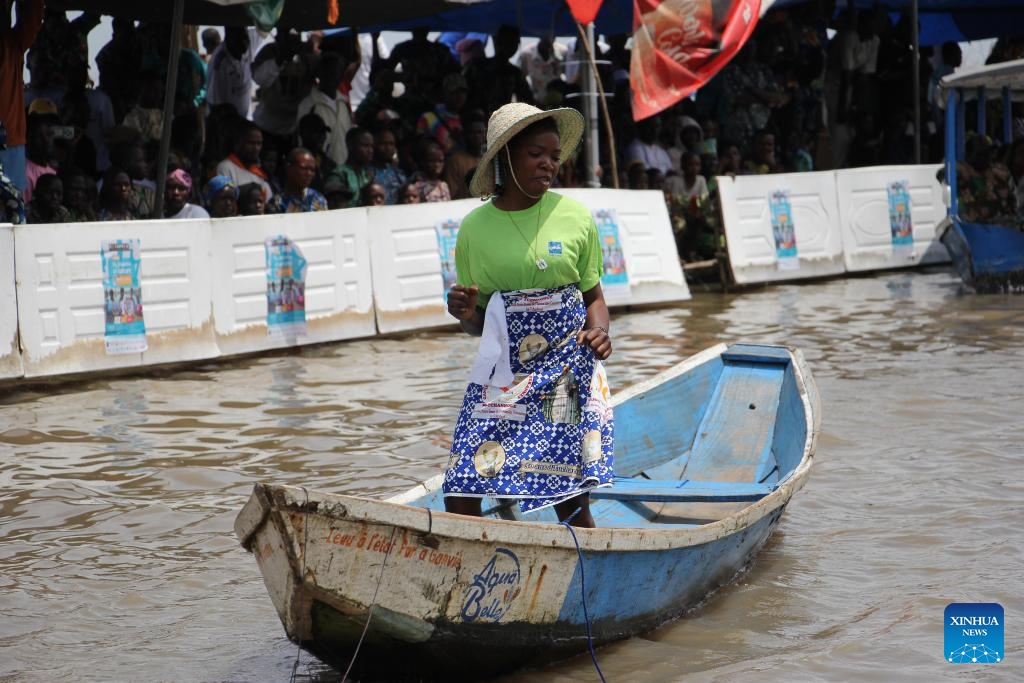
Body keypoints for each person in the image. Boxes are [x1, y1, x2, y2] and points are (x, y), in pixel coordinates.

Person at [443, 102, 614, 528]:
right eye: (536, 153)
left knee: (568, 497)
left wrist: (599, 333)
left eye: (555, 156)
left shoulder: (575, 217)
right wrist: (463, 313)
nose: (549, 164)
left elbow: (593, 297)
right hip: (504, 372)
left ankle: (585, 573)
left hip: (566, 370)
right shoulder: (474, 230)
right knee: (462, 484)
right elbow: (477, 326)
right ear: (506, 158)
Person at [0, 0, 45, 195]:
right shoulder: (12, 43)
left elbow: (33, 16)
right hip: (11, 142)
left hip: (10, 142)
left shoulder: (11, 43)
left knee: (10, 218)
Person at [216, 123, 273, 200]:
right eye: (251, 143)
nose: (256, 148)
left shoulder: (259, 173)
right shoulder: (225, 167)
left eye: (259, 143)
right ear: (238, 143)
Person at [266, 148, 328, 213]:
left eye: (312, 170)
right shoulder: (277, 203)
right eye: (304, 168)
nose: (309, 173)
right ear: (289, 168)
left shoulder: (318, 199)